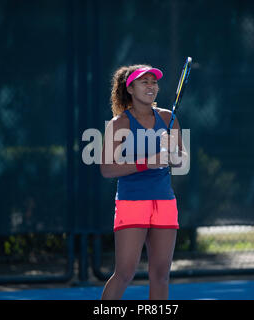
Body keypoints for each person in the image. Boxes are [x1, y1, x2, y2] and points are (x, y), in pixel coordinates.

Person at [100, 64, 188, 300]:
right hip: (132, 202)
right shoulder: (118, 124)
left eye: (154, 82)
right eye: (144, 82)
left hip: (165, 203)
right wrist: (147, 162)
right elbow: (106, 169)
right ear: (130, 88)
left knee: (161, 275)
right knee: (125, 273)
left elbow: (181, 163)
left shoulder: (169, 119)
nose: (151, 86)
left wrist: (174, 153)